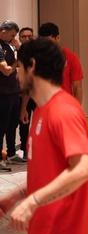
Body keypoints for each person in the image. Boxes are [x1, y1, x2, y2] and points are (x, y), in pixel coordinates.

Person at [0, 38, 88, 234]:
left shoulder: (64, 110)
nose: (16, 74)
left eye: (19, 67)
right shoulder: (42, 110)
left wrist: (33, 201)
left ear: (31, 66)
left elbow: (82, 168)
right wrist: (18, 194)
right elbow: (51, 171)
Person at [38, 22, 84, 104]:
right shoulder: (38, 58)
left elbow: (77, 87)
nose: (46, 45)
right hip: (44, 104)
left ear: (57, 38)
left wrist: (77, 108)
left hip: (64, 104)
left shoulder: (70, 57)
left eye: (49, 42)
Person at [0, 21, 21, 170]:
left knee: (12, 124)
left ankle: (11, 153)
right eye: (12, 35)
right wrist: (17, 62)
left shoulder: (8, 45)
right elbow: (6, 70)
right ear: (3, 31)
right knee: (1, 126)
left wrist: (18, 48)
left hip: (13, 91)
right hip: (3, 93)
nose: (13, 38)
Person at [17, 27, 35, 162]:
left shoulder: (39, 53)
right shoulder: (19, 52)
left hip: (38, 94)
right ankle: (24, 149)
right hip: (24, 94)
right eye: (24, 36)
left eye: (30, 36)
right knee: (24, 122)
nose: (27, 39)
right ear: (19, 38)